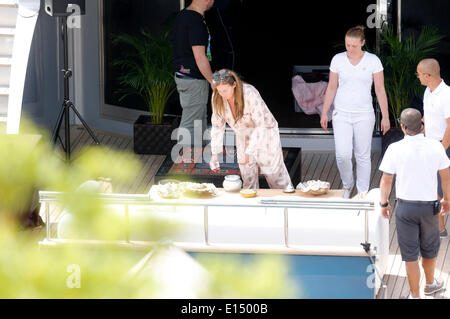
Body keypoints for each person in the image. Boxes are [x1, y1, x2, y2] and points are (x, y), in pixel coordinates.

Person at [379, 108, 450, 299]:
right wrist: (447, 200)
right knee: (429, 249)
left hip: (405, 209)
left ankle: (414, 296)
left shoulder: (394, 148)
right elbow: (446, 176)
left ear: (402, 127)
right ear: (422, 126)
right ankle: (430, 283)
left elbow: (386, 180)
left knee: (410, 255)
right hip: (430, 209)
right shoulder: (436, 147)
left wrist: (383, 203)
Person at [320, 26, 390, 198]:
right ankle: (347, 184)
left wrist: (386, 117)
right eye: (347, 45)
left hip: (364, 114)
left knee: (363, 155)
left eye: (353, 46)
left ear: (363, 43)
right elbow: (331, 87)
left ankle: (362, 192)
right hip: (341, 114)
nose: (349, 49)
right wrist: (324, 112)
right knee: (342, 154)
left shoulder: (373, 61)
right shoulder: (338, 59)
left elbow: (380, 90)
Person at [209, 69, 292, 189]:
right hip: (243, 135)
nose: (222, 94)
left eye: (225, 90)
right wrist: (215, 154)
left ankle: (287, 203)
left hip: (265, 132)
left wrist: (249, 152)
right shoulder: (217, 97)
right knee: (248, 179)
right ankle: (252, 206)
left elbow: (260, 125)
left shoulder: (249, 94)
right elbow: (217, 126)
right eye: (219, 90)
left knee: (275, 177)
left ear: (234, 85)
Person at [173, 0, 215, 145]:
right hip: (194, 80)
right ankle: (182, 164)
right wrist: (213, 81)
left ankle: (197, 159)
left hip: (186, 76)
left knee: (198, 123)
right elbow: (200, 56)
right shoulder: (195, 21)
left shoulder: (183, 16)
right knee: (190, 125)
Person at [417, 58, 450, 239]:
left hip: (442, 146)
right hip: (430, 144)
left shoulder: (446, 95)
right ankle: (439, 228)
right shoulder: (427, 92)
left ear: (427, 76)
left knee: (439, 188)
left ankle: (440, 229)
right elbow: (428, 119)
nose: (418, 77)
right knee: (433, 188)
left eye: (419, 74)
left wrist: (441, 149)